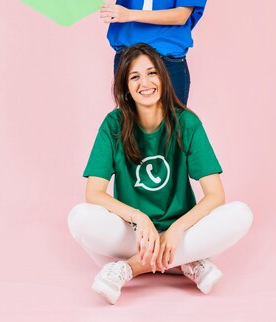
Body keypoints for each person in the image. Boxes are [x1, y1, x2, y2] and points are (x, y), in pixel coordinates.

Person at [68, 43, 253, 305]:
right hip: (135, 234)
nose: (145, 82)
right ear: (125, 88)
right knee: (79, 218)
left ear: (163, 79)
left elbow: (215, 195)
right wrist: (139, 217)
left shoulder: (187, 122)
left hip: (181, 232)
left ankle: (127, 268)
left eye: (152, 73)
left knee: (241, 214)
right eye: (135, 77)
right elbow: (94, 193)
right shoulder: (113, 124)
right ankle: (186, 263)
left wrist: (177, 229)